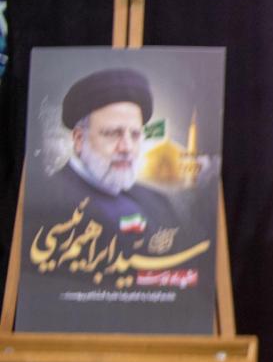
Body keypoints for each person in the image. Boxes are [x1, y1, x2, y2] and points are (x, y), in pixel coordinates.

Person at [15, 67, 212, 333]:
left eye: (135, 134)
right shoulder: (47, 205)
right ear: (79, 139)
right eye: (113, 134)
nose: (127, 147)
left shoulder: (156, 200)